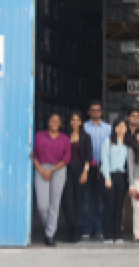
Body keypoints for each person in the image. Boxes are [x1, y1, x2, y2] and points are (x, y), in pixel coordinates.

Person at [33, 113, 71, 246]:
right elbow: (33, 155)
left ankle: (50, 234)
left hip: (58, 170)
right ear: (48, 122)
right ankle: (47, 226)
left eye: (57, 120)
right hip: (41, 169)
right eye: (52, 120)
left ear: (60, 124)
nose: (55, 122)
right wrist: (42, 170)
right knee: (42, 206)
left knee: (54, 204)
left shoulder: (65, 138)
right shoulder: (39, 135)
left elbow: (66, 158)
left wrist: (52, 170)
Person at [61, 112, 93, 243]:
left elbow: (88, 156)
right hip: (66, 169)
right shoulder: (65, 136)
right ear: (70, 122)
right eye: (72, 119)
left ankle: (78, 231)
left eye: (77, 120)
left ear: (81, 122)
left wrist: (85, 172)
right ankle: (69, 229)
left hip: (80, 169)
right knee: (68, 201)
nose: (75, 122)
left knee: (79, 201)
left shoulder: (85, 137)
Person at [83, 100, 111, 239]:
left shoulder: (108, 128)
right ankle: (87, 229)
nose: (95, 112)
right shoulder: (83, 127)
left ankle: (99, 228)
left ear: (101, 112)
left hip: (103, 168)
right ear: (88, 112)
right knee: (87, 199)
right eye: (92, 110)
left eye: (97, 110)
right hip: (88, 168)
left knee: (101, 200)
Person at [102, 119, 130, 244]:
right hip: (111, 176)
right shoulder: (108, 142)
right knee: (109, 206)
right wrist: (107, 177)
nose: (121, 129)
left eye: (123, 126)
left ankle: (117, 234)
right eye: (118, 126)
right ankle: (107, 234)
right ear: (114, 128)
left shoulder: (128, 144)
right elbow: (104, 161)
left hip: (122, 177)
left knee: (119, 206)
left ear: (126, 129)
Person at [123, 109, 139, 235]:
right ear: (128, 117)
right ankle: (122, 226)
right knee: (122, 201)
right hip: (122, 170)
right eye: (132, 116)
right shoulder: (122, 131)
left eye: (137, 116)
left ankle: (137, 229)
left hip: (138, 172)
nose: (135, 118)